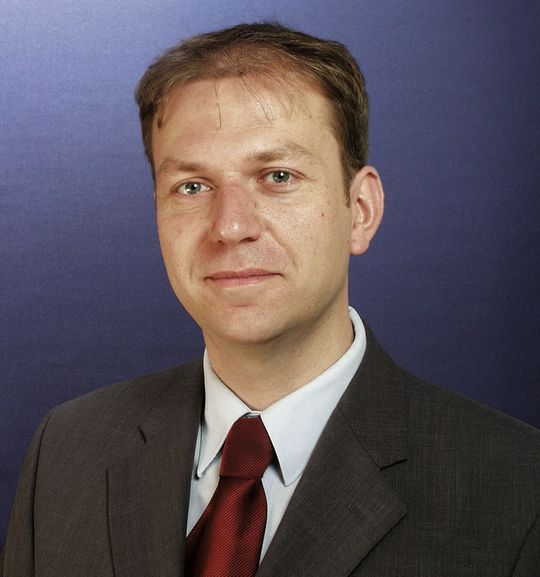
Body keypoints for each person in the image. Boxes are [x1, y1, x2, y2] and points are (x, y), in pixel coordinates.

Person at [2, 22, 539, 577]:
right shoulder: (67, 449)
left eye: (278, 176)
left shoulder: (519, 491)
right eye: (192, 186)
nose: (230, 226)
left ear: (360, 211)